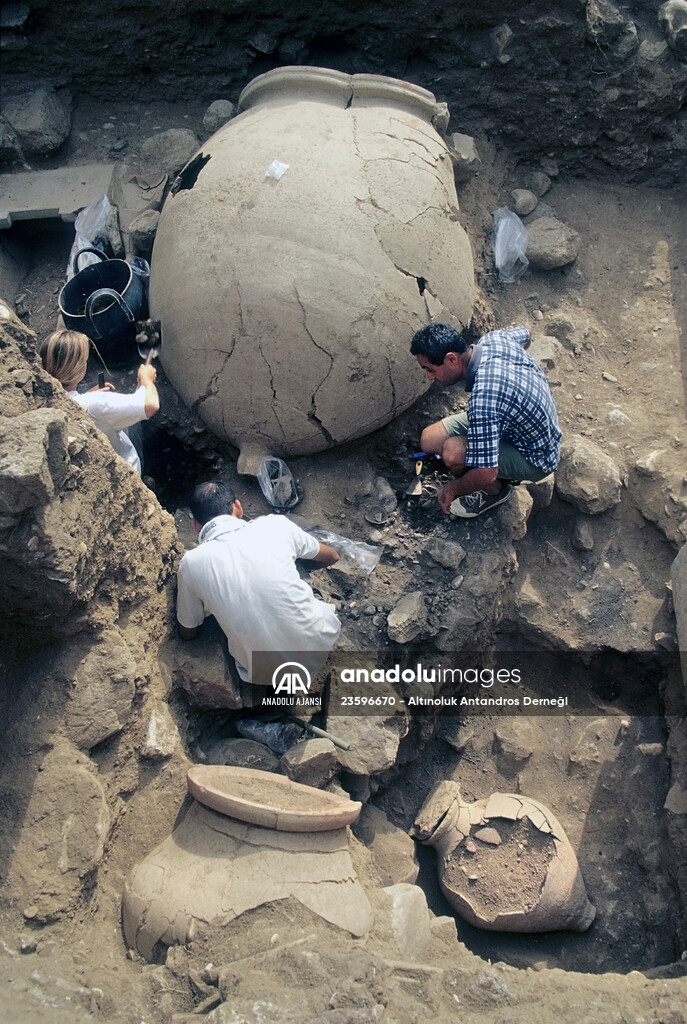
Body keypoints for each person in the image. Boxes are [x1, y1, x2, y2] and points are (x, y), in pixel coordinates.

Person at [176, 481, 341, 686]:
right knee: (292, 559)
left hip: (263, 673)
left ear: (195, 525)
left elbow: (188, 630)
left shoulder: (190, 564)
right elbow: (331, 556)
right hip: (320, 642)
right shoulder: (275, 525)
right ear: (237, 506)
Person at [410, 323, 561, 518]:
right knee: (429, 439)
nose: (429, 377)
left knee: (452, 453)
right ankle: (491, 464)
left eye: (430, 369)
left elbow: (486, 472)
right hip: (513, 422)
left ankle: (496, 492)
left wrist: (451, 490)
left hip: (535, 455)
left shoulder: (484, 400)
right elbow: (526, 333)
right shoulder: (493, 340)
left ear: (451, 359)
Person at [39, 328, 159, 475]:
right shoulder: (97, 404)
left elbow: (75, 403)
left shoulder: (42, 397)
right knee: (136, 423)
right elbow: (150, 405)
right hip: (122, 471)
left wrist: (88, 394)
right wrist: (147, 379)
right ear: (81, 369)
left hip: (90, 462)